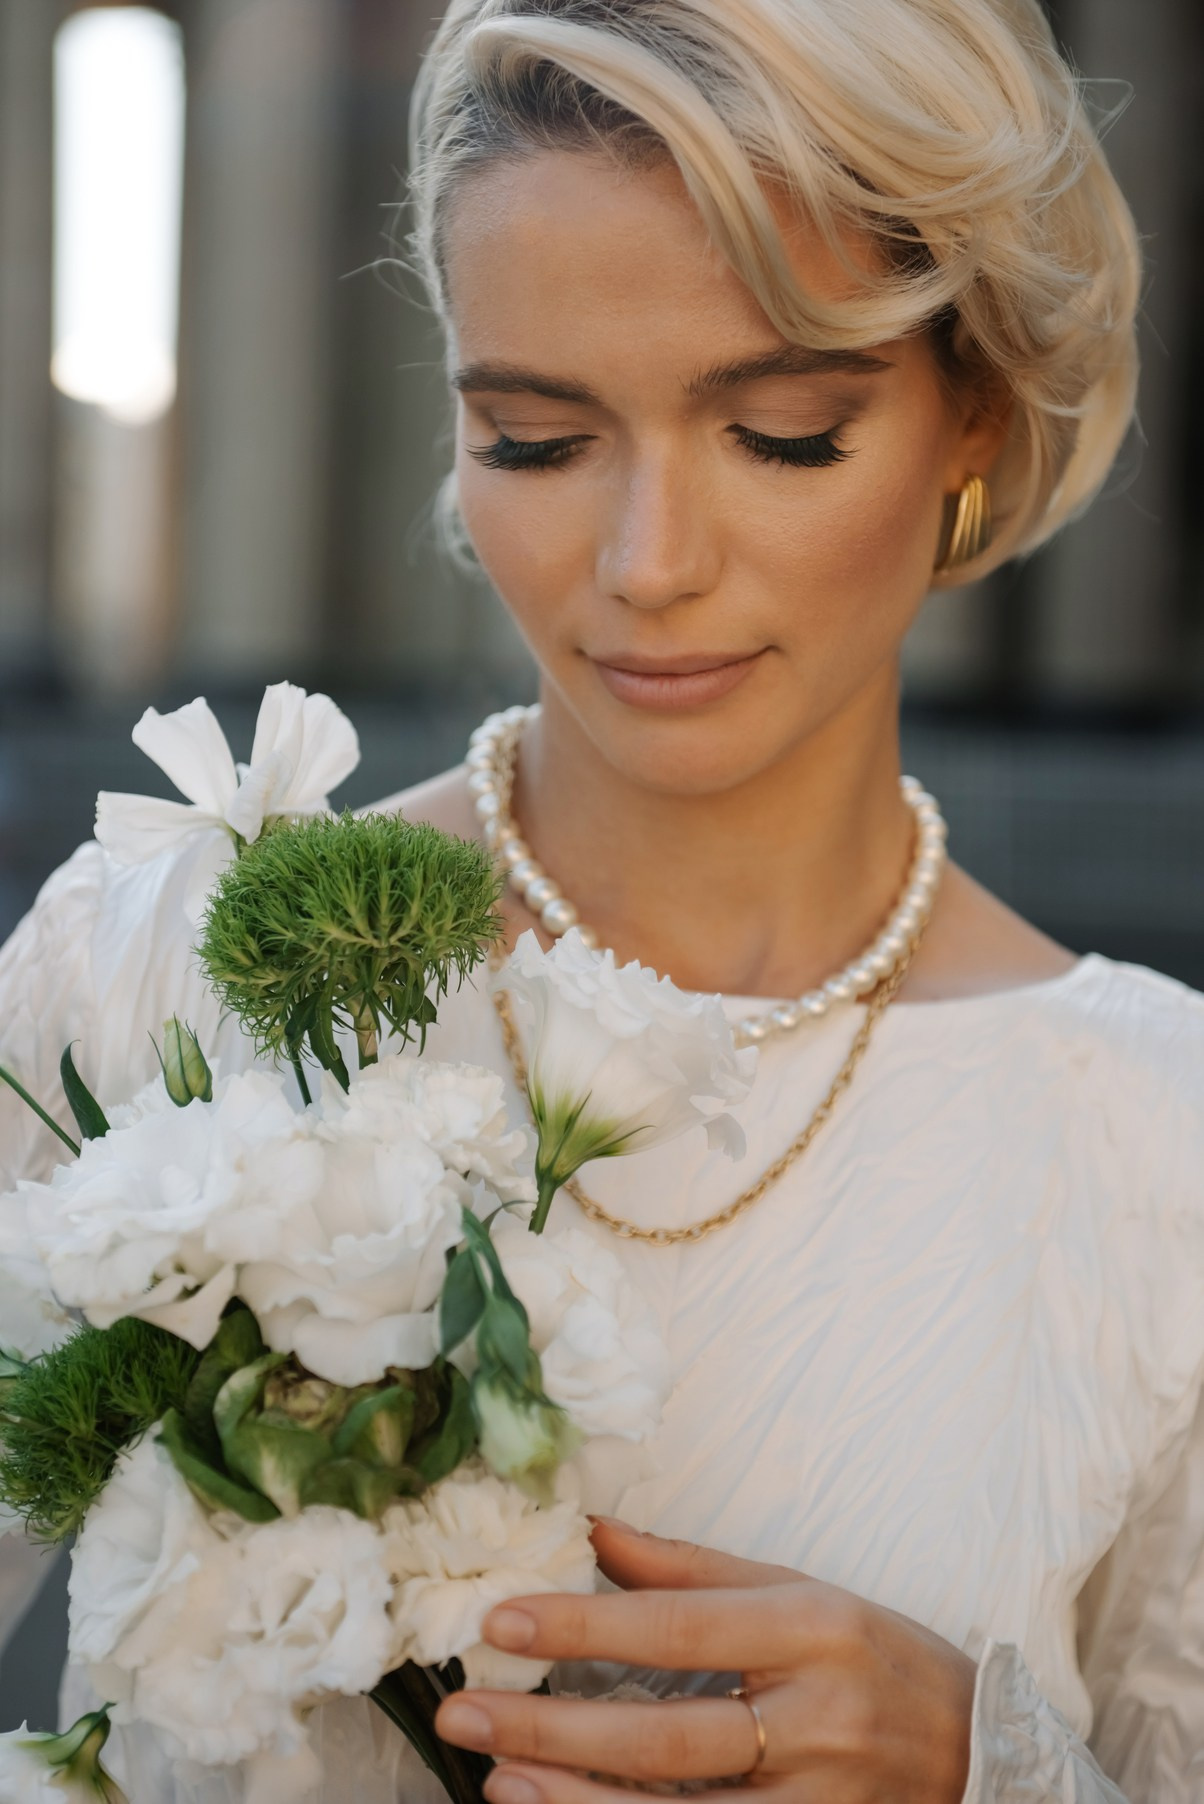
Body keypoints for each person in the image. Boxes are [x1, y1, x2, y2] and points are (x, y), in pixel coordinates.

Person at [1, 0, 1201, 1798]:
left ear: (979, 411)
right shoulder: (154, 960)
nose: (648, 568)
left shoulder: (1160, 1143)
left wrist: (991, 1767)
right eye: (542, 441)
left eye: (783, 434)